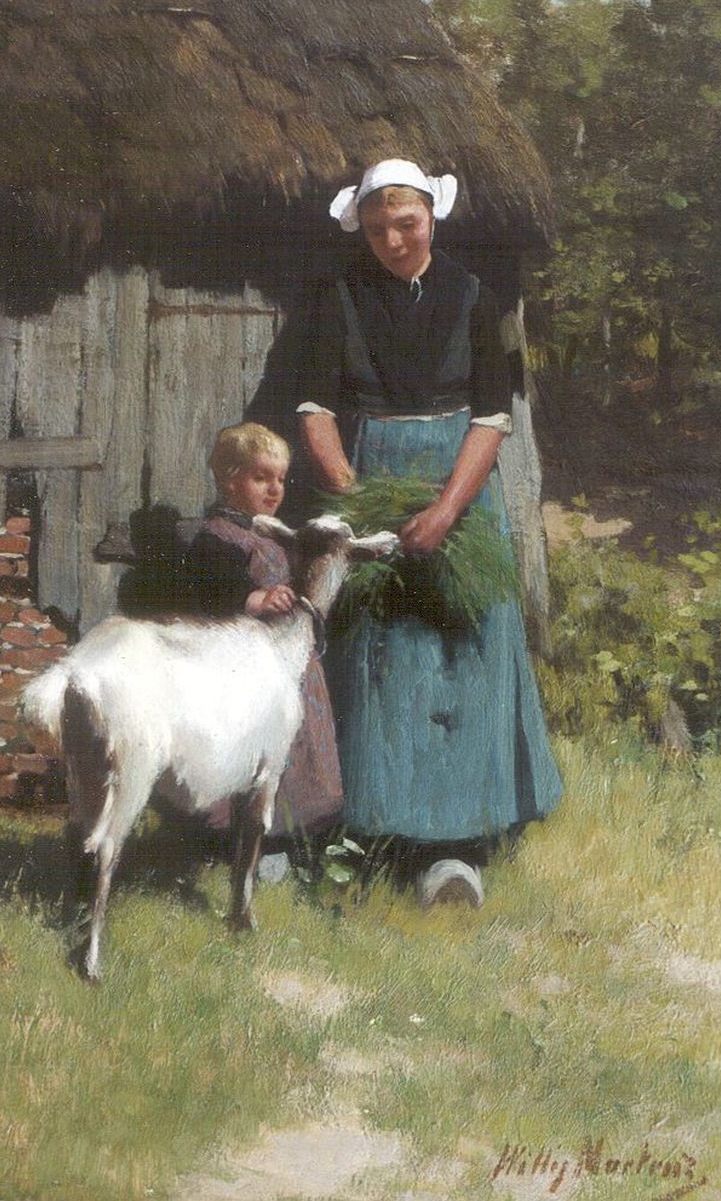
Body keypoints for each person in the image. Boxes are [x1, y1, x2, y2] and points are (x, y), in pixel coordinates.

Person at [298, 158, 562, 903]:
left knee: (459, 650)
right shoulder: (340, 298)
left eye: (406, 223)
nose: (393, 239)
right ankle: (378, 832)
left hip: (459, 487)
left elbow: (491, 416)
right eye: (378, 228)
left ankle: (457, 848)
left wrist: (447, 509)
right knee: (384, 660)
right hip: (372, 477)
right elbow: (315, 410)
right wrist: (361, 501)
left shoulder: (473, 298)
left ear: (432, 218)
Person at [176, 422, 343, 839]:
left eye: (281, 480)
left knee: (296, 754)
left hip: (287, 666)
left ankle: (292, 837)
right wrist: (256, 600)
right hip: (244, 668)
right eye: (261, 477)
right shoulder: (217, 538)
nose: (274, 490)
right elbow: (212, 593)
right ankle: (249, 841)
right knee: (250, 751)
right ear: (230, 480)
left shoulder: (271, 534)